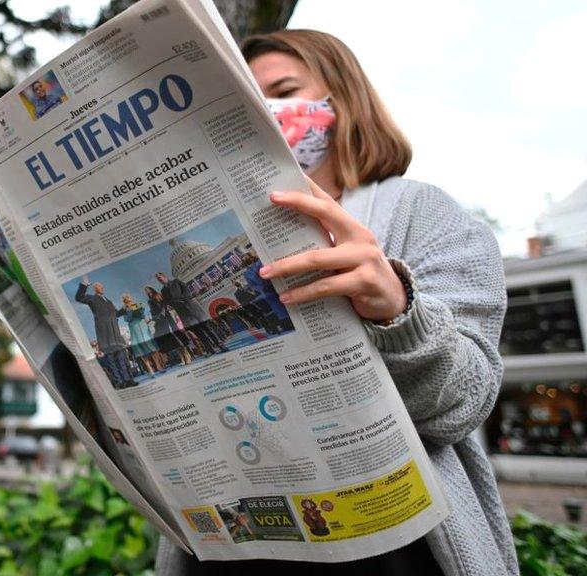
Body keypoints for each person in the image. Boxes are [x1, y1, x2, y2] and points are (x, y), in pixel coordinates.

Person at [155, 29, 515, 576]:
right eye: (246, 101)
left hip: (395, 549)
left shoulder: (424, 214)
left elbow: (465, 403)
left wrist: (395, 312)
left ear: (340, 100)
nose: (267, 112)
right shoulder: (200, 234)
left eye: (284, 90)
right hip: (241, 537)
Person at [76, 277, 135, 388]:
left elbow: (116, 314)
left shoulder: (109, 302)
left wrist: (124, 308)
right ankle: (120, 382)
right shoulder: (92, 299)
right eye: (99, 286)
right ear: (94, 288)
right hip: (105, 335)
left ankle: (128, 380)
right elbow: (79, 297)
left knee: (122, 360)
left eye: (102, 286)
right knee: (112, 362)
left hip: (116, 335)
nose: (102, 287)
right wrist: (84, 285)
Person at [155, 272, 228, 355]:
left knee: (207, 328)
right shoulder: (163, 291)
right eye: (158, 279)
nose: (159, 279)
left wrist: (181, 300)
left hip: (192, 308)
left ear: (164, 276)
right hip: (183, 313)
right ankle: (209, 349)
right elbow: (167, 302)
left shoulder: (176, 281)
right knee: (197, 332)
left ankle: (220, 345)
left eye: (160, 277)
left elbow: (186, 290)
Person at [145, 286, 193, 367]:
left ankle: (187, 355)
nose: (147, 292)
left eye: (147, 289)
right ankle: (182, 357)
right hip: (160, 320)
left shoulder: (159, 295)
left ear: (151, 289)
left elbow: (165, 304)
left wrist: (163, 312)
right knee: (172, 340)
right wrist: (155, 319)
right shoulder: (149, 301)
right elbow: (152, 311)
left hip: (167, 317)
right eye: (145, 291)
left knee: (177, 336)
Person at [120, 293, 163, 375]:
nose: (128, 301)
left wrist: (140, 311)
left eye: (128, 299)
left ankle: (159, 366)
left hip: (143, 326)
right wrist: (130, 313)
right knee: (141, 351)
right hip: (134, 328)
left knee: (152, 348)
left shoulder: (137, 305)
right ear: (124, 301)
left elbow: (143, 314)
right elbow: (127, 319)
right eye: (126, 300)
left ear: (131, 299)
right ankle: (150, 369)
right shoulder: (124, 309)